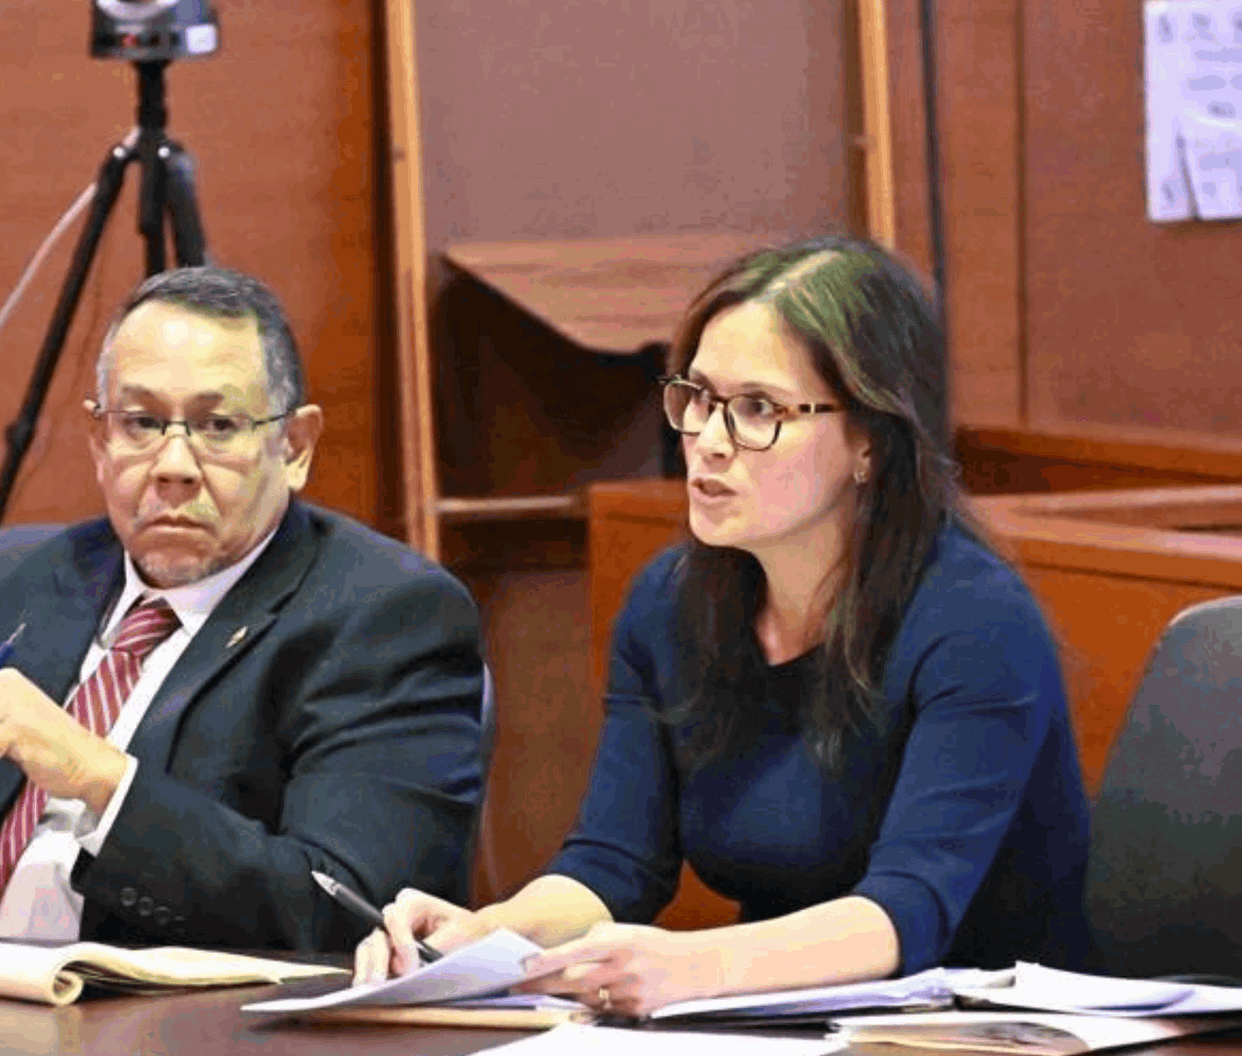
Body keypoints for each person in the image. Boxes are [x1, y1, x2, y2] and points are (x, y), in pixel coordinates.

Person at [355, 236, 1093, 1012]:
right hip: (786, 1027)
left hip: (989, 1027)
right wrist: (487, 936)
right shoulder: (670, 603)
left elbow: (905, 916)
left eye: (758, 410)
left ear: (870, 441)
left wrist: (691, 964)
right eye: (698, 398)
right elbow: (614, 866)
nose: (706, 441)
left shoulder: (976, 624)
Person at [0, 266, 485, 950]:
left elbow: (354, 917)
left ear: (294, 446)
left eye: (217, 426)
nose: (173, 464)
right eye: (143, 422)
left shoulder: (386, 617)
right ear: (100, 439)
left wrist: (95, 775)